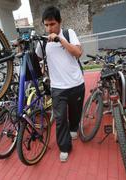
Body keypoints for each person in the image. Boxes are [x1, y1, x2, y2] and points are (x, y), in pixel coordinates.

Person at [35, 6, 85, 162]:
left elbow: (78, 53)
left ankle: (74, 127)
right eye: (47, 25)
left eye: (52, 24)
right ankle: (64, 147)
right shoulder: (43, 43)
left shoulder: (69, 34)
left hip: (76, 83)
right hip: (58, 88)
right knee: (61, 118)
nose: (49, 28)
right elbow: (37, 59)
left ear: (59, 22)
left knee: (75, 113)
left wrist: (60, 39)